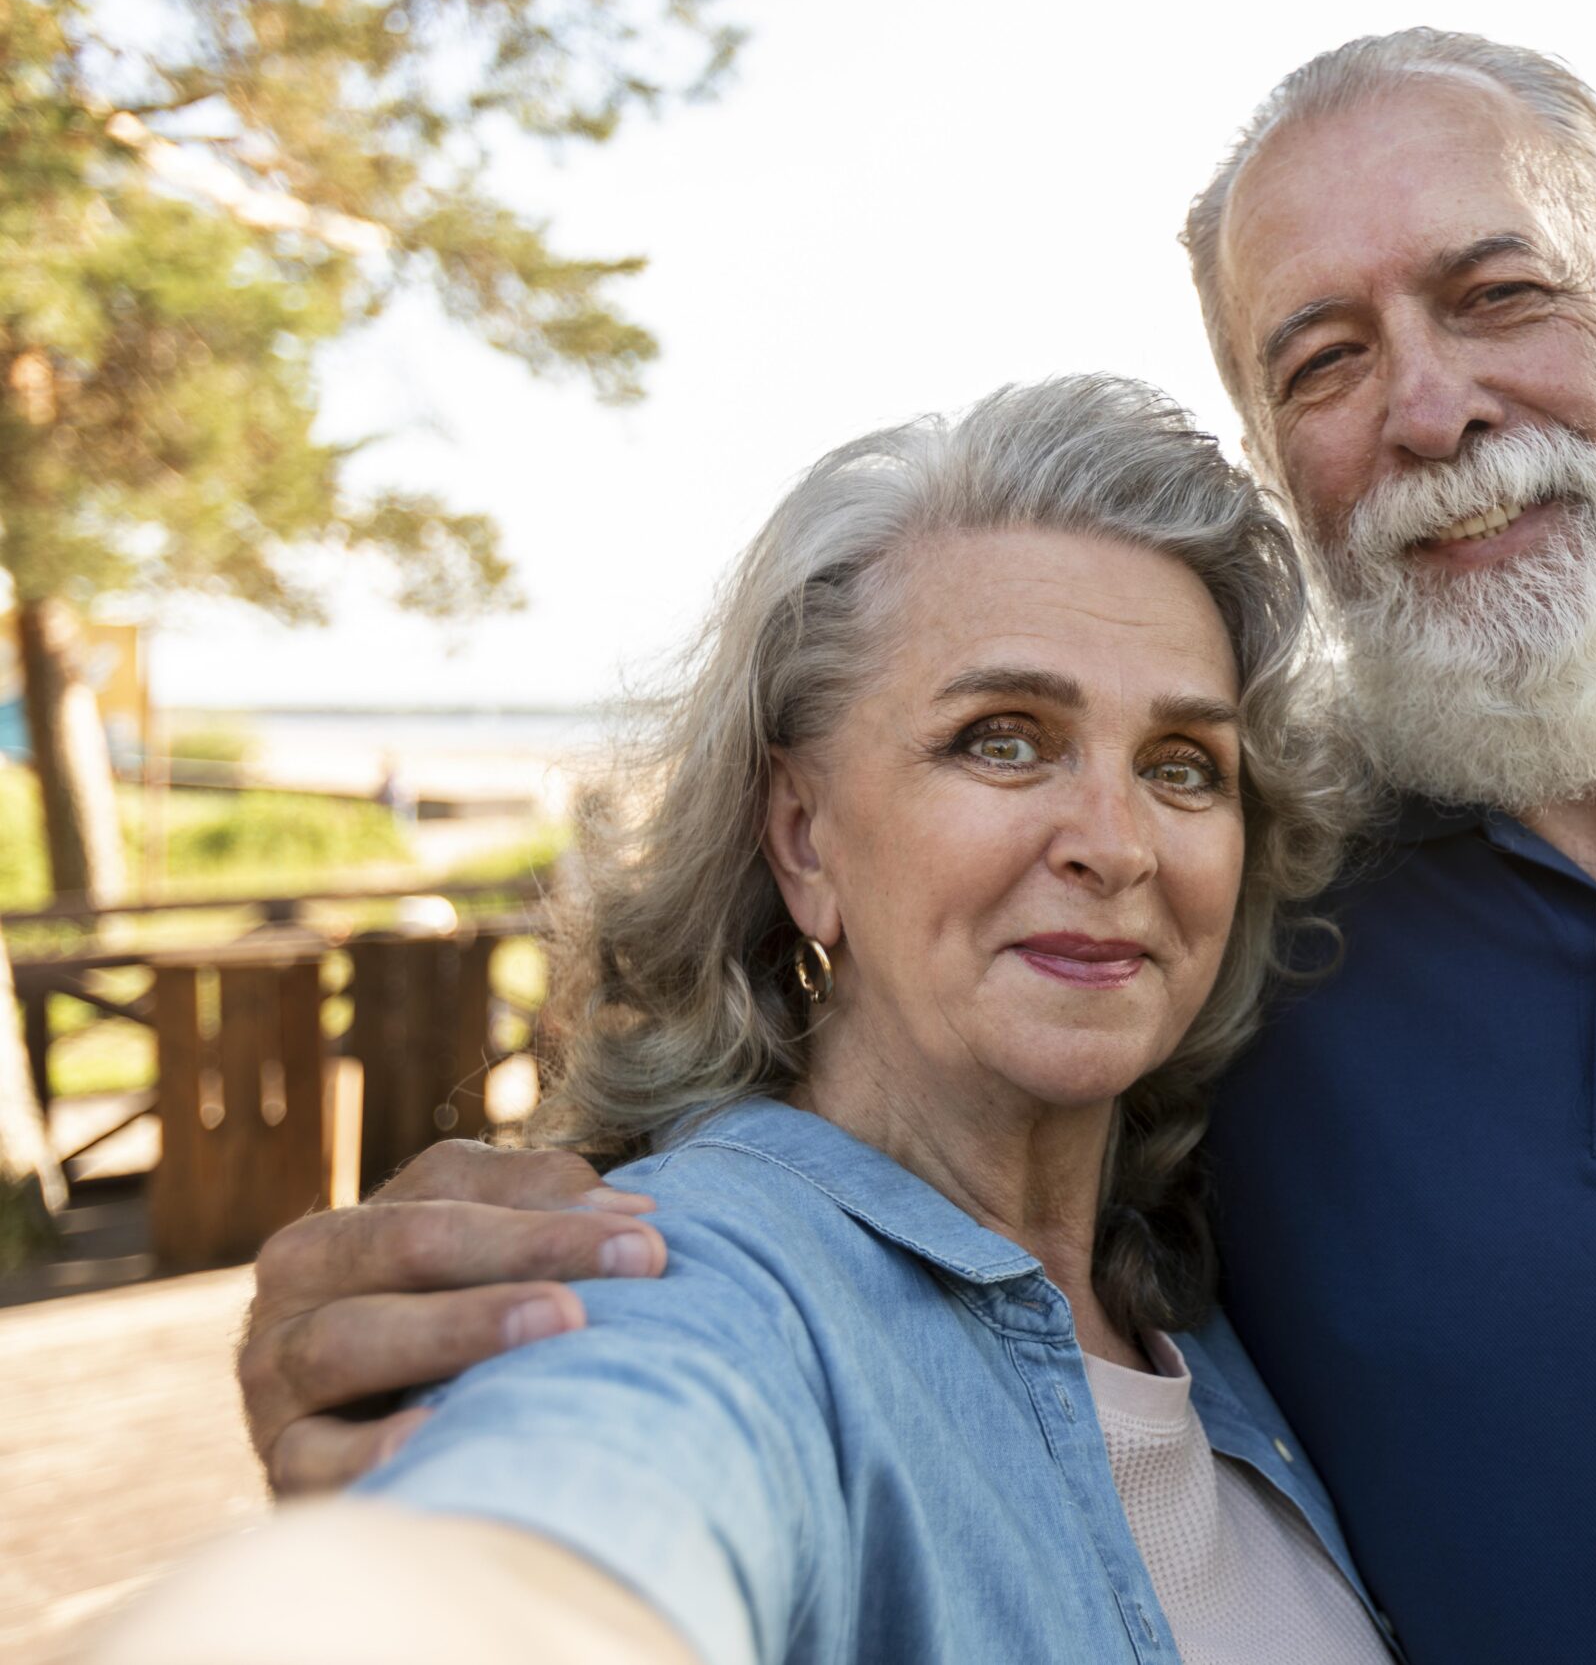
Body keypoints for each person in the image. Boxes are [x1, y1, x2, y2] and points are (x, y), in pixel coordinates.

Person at [232, 31, 1596, 1663]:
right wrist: (433, 1320)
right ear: (1273, 456)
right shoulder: (1244, 924)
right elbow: (812, 1241)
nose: (1433, 404)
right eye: (1323, 356)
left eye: (1497, 296)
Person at [103, 377, 1397, 1664]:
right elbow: (542, 1539)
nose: (1115, 845)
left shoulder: (1200, 1300)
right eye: (1004, 739)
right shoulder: (695, 1292)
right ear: (801, 835)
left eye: (1182, 766)